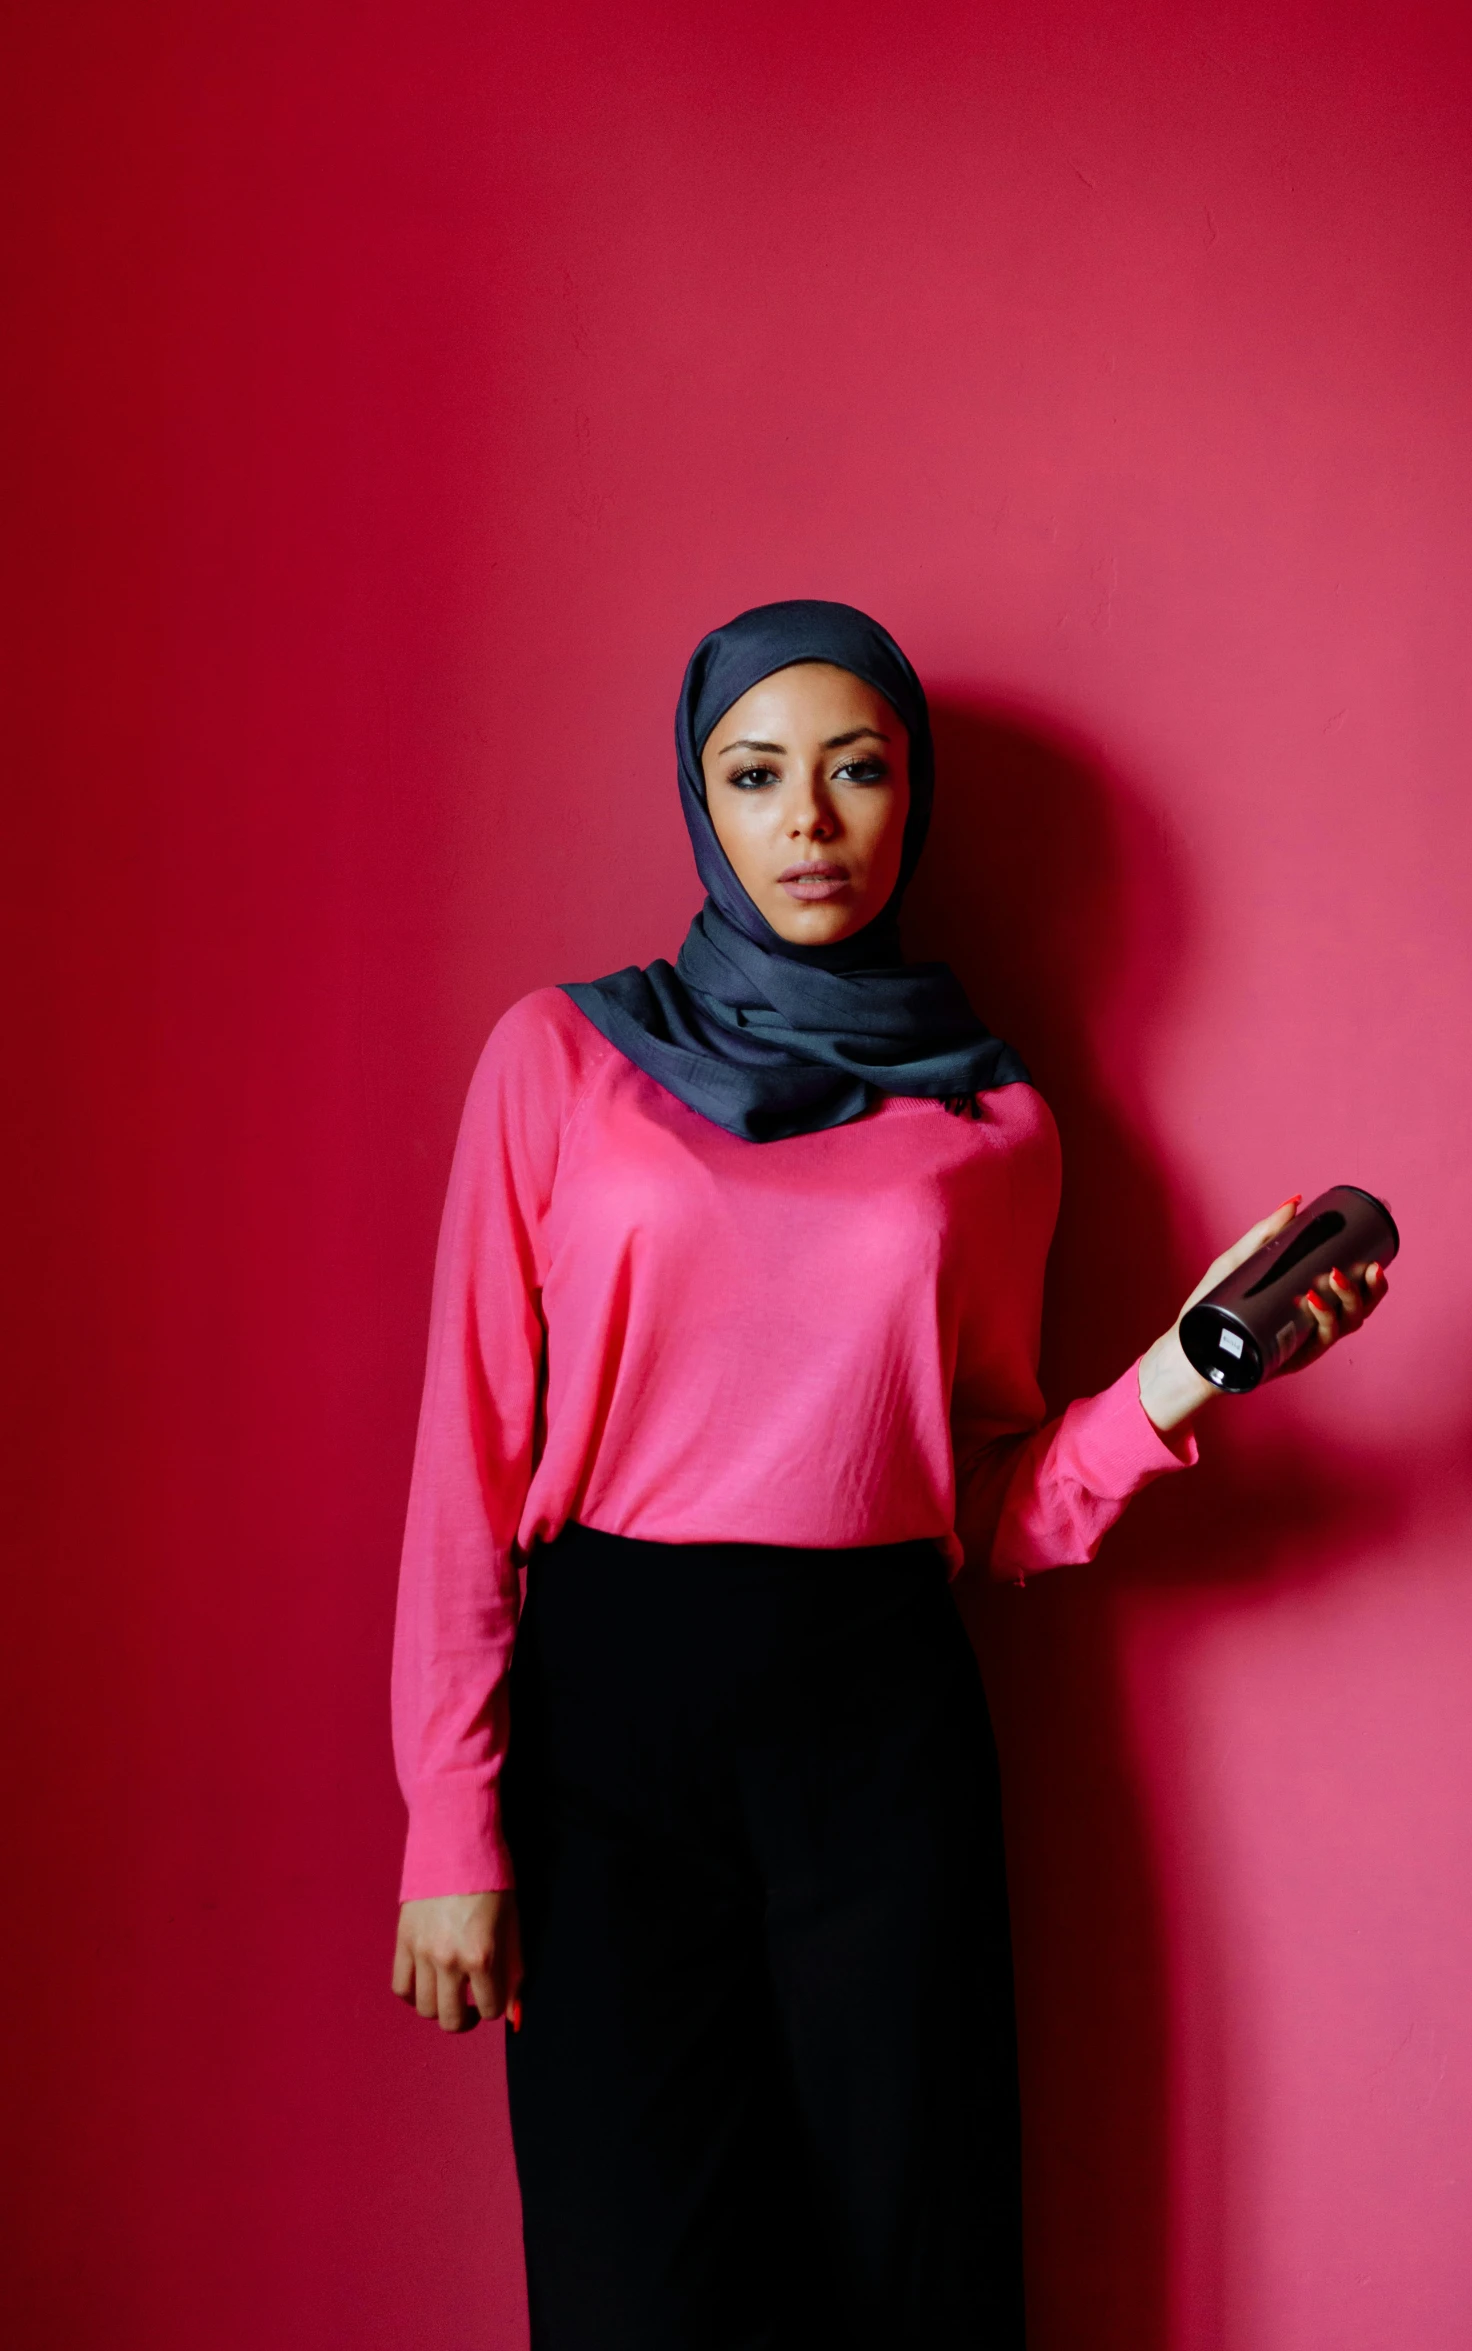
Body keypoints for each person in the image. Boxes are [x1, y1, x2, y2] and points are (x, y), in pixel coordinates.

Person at [389, 599, 1388, 2349]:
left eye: (855, 771)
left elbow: (989, 1492)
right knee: (639, 2285)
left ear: (907, 795)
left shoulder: (991, 1124)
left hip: (878, 1715)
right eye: (755, 774)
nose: (810, 821)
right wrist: (448, 1821)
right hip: (608, 1725)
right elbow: (465, 1468)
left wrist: (1186, 1369)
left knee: (911, 2270)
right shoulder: (558, 1061)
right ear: (699, 801)